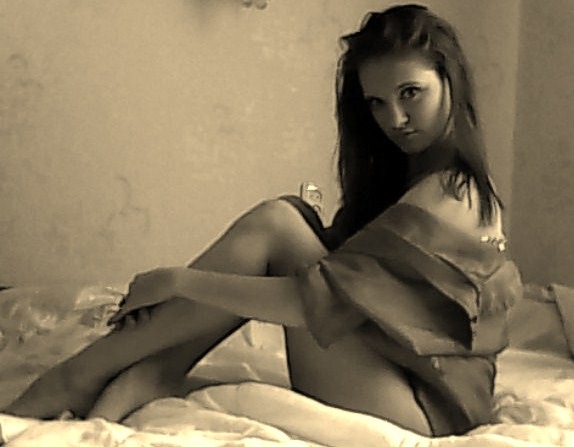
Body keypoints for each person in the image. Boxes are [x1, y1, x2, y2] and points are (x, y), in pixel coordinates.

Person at [3, 4, 522, 437]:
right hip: (396, 374)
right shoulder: (417, 175)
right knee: (288, 218)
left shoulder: (454, 193)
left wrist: (177, 280)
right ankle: (146, 375)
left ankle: (84, 375)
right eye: (377, 103)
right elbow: (359, 283)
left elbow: (308, 301)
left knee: (277, 226)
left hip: (422, 408)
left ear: (450, 80)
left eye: (411, 93)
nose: (395, 119)